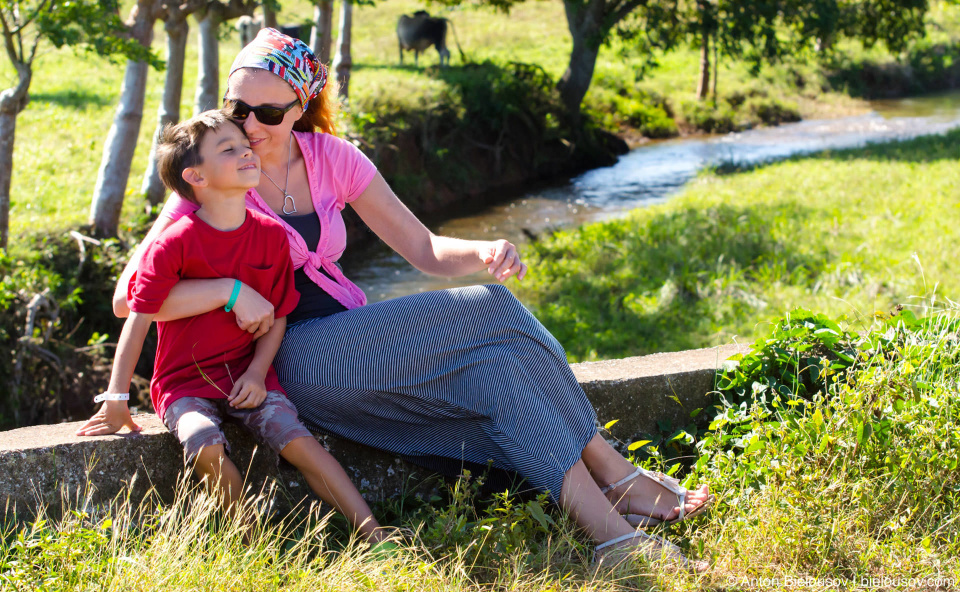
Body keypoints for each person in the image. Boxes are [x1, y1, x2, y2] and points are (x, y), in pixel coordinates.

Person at [111, 28, 713, 568]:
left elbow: (422, 249)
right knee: (494, 311)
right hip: (288, 357)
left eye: (267, 111)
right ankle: (616, 475)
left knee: (499, 369)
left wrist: (482, 252)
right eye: (236, 107)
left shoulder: (331, 158)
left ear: (301, 107)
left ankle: (610, 535)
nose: (247, 123)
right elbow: (127, 298)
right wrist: (230, 290)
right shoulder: (214, 174)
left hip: (359, 338)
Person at [80, 110, 388, 546]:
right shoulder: (173, 243)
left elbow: (278, 314)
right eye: (228, 149)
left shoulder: (271, 235)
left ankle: (377, 538)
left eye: (244, 146)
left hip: (248, 374)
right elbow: (139, 316)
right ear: (196, 177)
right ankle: (249, 545)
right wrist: (116, 399)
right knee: (204, 443)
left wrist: (259, 373)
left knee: (298, 442)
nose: (246, 151)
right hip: (183, 384)